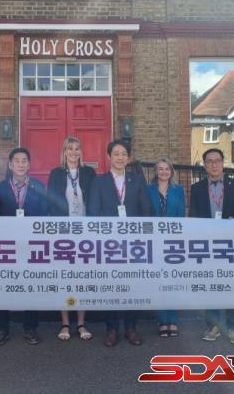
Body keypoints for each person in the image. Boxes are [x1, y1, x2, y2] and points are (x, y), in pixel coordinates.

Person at [88, 139, 153, 347]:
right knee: (111, 286)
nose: (120, 157)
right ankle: (112, 329)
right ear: (109, 157)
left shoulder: (137, 180)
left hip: (133, 244)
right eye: (116, 154)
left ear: (129, 158)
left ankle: (131, 328)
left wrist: (141, 236)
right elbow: (93, 212)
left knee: (132, 285)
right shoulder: (99, 181)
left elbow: (146, 210)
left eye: (124, 154)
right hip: (108, 244)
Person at [189, 148, 234, 345]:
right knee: (211, 284)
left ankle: (233, 326)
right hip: (207, 244)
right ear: (204, 165)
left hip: (231, 244)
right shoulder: (197, 188)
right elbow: (193, 216)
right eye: (209, 161)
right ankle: (213, 325)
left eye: (217, 160)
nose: (214, 164)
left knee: (233, 284)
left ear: (223, 163)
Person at [0, 147, 48, 347]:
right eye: (17, 161)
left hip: (32, 245)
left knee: (31, 286)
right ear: (10, 164)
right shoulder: (1, 188)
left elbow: (44, 214)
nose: (21, 164)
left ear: (29, 165)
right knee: (4, 286)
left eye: (24, 161)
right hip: (7, 246)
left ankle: (30, 327)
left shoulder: (38, 186)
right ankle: (2, 328)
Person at [47, 136, 96, 341]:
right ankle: (65, 323)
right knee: (65, 278)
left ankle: (81, 323)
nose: (74, 152)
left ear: (81, 152)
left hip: (85, 232)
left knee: (82, 278)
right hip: (64, 232)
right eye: (70, 148)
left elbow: (95, 200)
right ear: (64, 151)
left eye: (77, 148)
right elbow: (50, 202)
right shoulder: (56, 173)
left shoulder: (89, 173)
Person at [147, 158, 185, 338]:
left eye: (167, 169)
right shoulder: (148, 189)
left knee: (173, 281)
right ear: (156, 172)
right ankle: (163, 321)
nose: (163, 172)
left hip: (173, 241)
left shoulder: (179, 190)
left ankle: (173, 320)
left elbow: (182, 215)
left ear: (171, 171)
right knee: (159, 281)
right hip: (154, 241)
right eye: (160, 169)